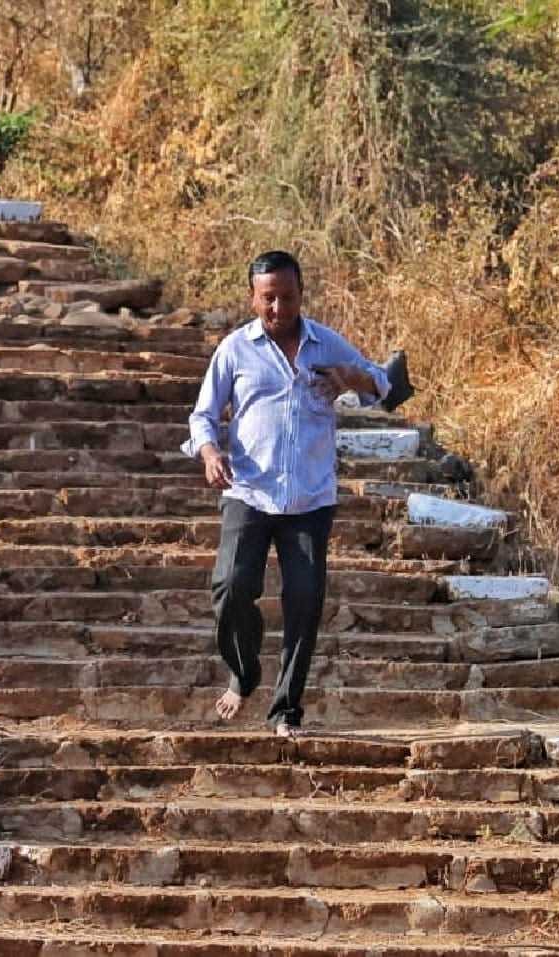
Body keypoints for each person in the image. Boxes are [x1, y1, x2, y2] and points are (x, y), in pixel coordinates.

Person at [185, 250, 391, 737]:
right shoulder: (235, 349)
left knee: (304, 600)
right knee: (231, 587)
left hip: (310, 498)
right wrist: (212, 453)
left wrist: (349, 378)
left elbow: (379, 384)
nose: (279, 308)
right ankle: (245, 669)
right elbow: (203, 416)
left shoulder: (326, 343)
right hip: (248, 491)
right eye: (268, 299)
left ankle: (286, 710)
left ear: (301, 295)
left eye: (288, 297)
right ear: (253, 298)